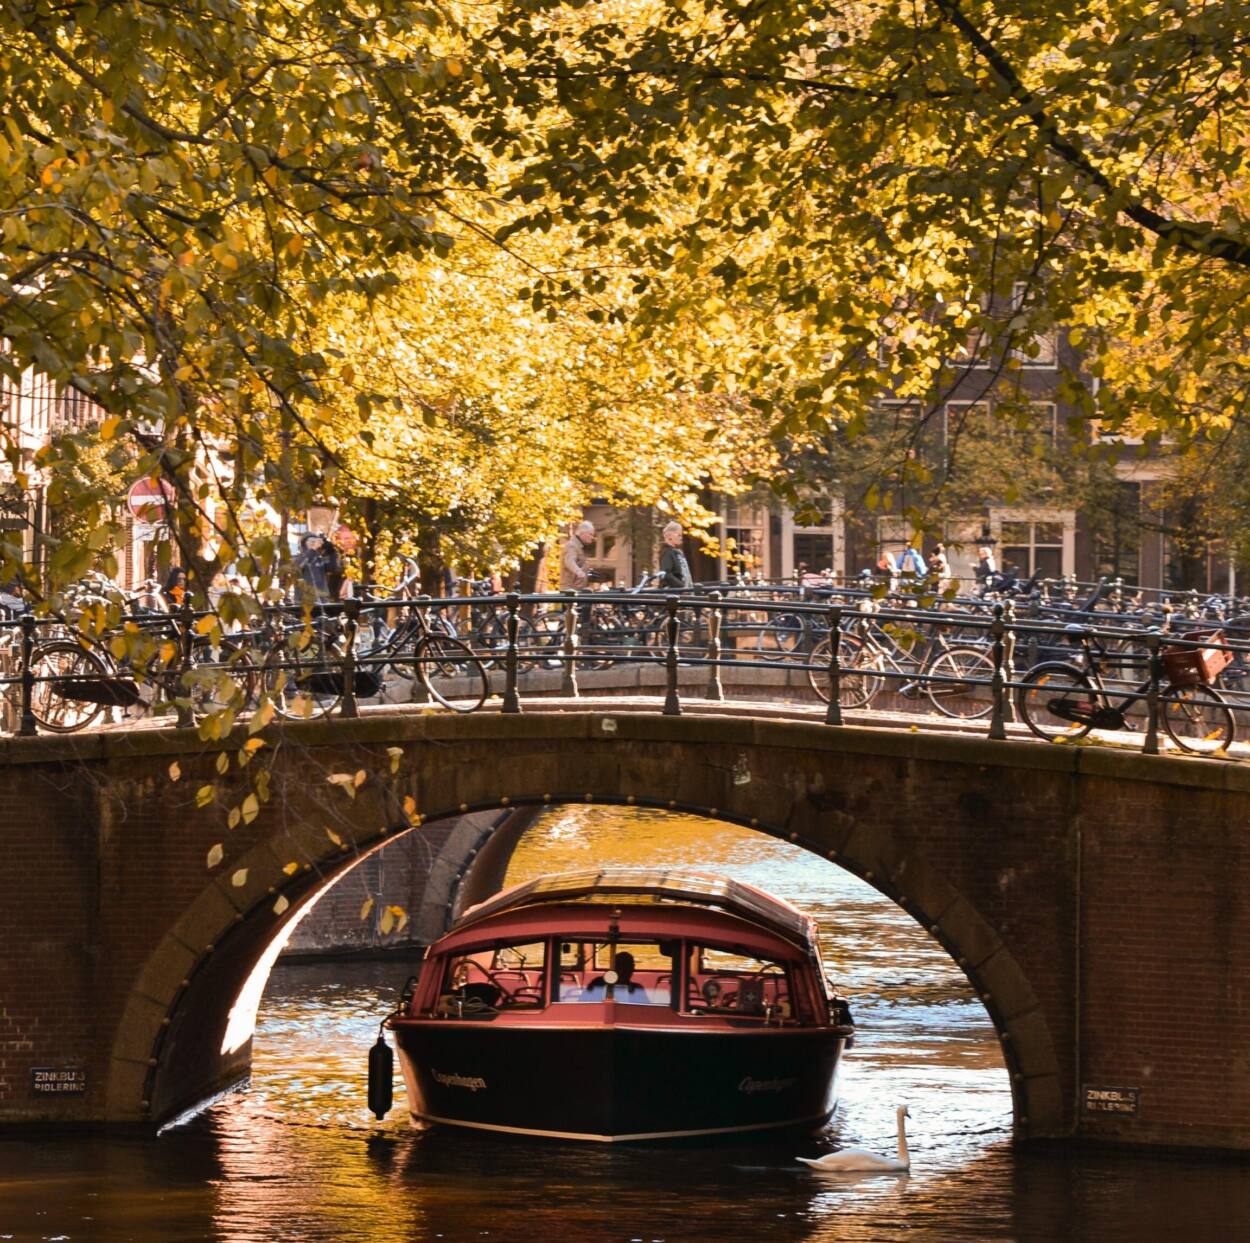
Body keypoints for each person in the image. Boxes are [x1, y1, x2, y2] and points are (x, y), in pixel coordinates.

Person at [578, 950, 650, 1003]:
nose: (624, 971)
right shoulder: (598, 984)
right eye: (620, 966)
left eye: (628, 967)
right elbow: (583, 1004)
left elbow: (645, 1011)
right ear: (612, 968)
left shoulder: (637, 989)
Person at [295, 530, 343, 599]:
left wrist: (332, 552)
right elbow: (298, 566)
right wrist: (313, 549)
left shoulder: (320, 558)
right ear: (304, 543)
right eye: (311, 541)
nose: (314, 543)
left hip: (321, 600)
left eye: (315, 541)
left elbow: (333, 568)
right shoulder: (298, 558)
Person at [560, 520, 595, 590]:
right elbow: (569, 561)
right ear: (582, 533)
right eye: (590, 534)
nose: (592, 538)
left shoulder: (580, 547)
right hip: (570, 591)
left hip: (578, 590)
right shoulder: (572, 545)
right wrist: (578, 571)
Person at [659, 521, 693, 590]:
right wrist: (682, 586)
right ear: (669, 536)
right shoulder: (667, 552)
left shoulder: (676, 553)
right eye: (679, 535)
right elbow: (666, 574)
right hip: (672, 593)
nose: (681, 538)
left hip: (679, 592)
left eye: (681, 535)